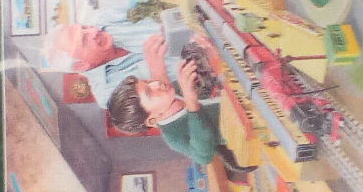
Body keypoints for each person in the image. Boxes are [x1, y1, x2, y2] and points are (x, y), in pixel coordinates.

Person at [107, 34, 255, 181]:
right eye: (150, 93)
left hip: (245, 99)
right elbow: (203, 156)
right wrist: (191, 103)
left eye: (147, 81)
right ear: (152, 120)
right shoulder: (173, 136)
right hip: (248, 126)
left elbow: (210, 84)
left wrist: (205, 51)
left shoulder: (176, 91)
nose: (156, 84)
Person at [43, 20, 174, 107]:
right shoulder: (107, 93)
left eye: (85, 27)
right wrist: (157, 73)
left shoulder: (108, 20)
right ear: (82, 65)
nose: (94, 31)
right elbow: (162, 108)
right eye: (84, 40)